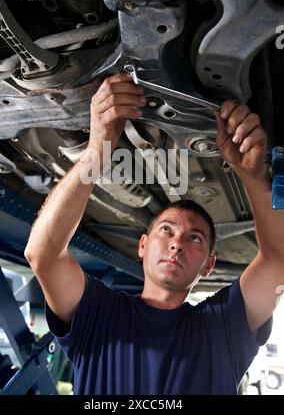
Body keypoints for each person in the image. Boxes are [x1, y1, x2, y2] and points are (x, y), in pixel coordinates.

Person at [25, 73, 283, 395]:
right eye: (166, 230)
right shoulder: (98, 314)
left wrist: (253, 175)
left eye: (195, 239)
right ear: (143, 246)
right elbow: (43, 254)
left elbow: (278, 262)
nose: (177, 242)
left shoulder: (224, 327)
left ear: (208, 266)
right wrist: (96, 151)